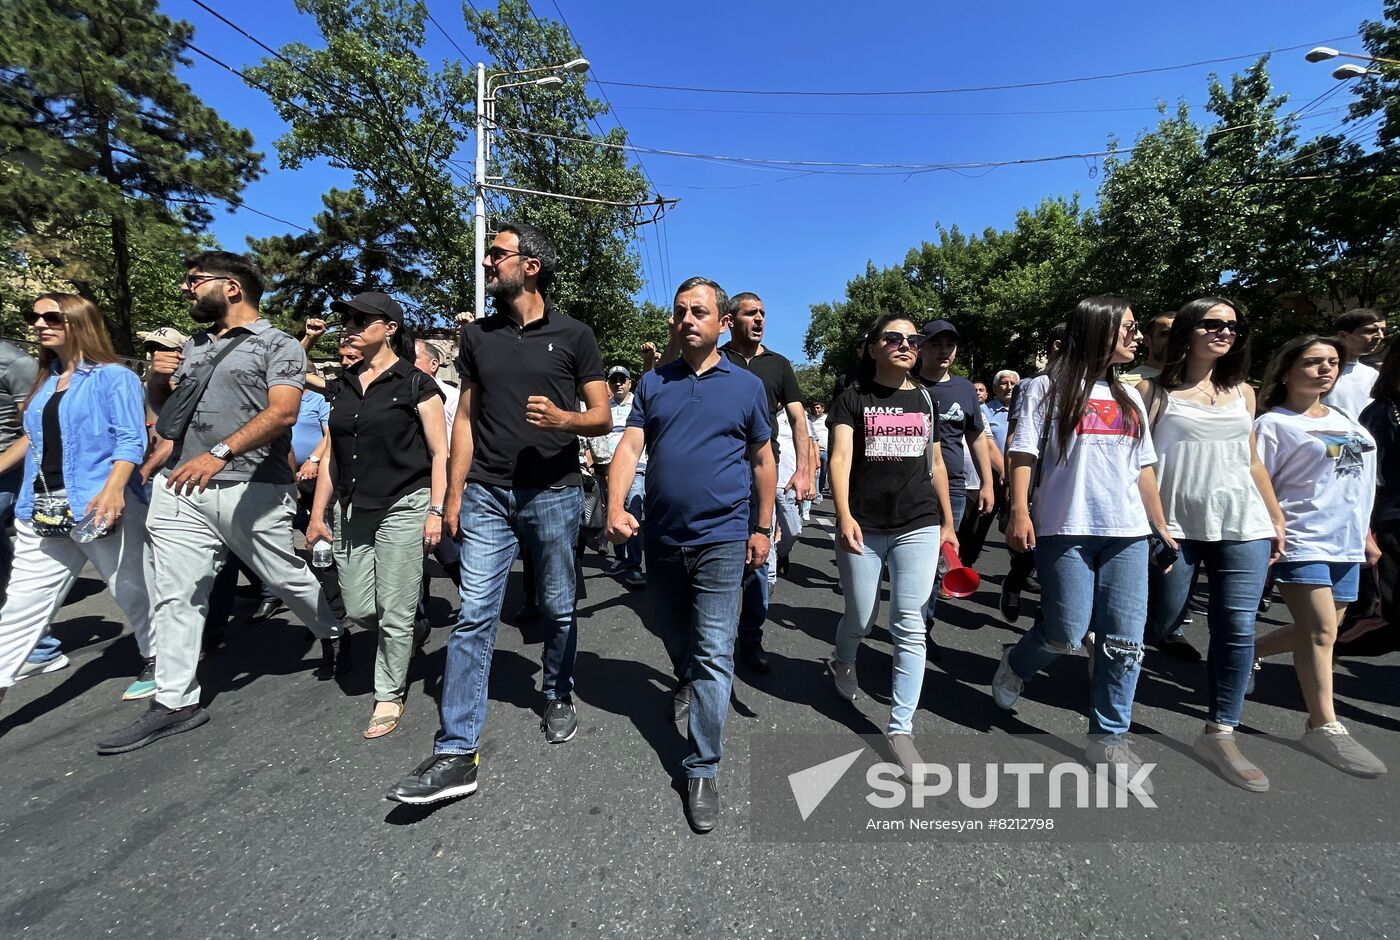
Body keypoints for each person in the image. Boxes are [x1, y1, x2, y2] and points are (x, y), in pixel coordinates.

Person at [385, 222, 609, 805]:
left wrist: (567, 422)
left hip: (555, 493)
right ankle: (458, 750)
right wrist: (453, 495)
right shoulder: (477, 338)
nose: (487, 263)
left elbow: (603, 416)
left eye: (497, 255)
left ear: (530, 265)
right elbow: (464, 418)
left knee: (558, 607)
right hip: (486, 492)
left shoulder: (576, 334)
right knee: (476, 612)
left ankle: (557, 691)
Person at [97, 251, 345, 755]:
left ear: (232, 288)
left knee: (282, 576)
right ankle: (174, 702)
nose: (186, 289)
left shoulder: (279, 346)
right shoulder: (191, 347)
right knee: (175, 592)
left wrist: (219, 452)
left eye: (194, 281)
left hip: (251, 485)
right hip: (181, 486)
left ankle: (332, 629)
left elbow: (282, 413)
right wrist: (156, 384)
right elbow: (172, 420)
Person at [605, 276, 773, 833]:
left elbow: (762, 461)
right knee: (674, 634)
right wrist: (613, 506)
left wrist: (762, 527)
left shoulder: (746, 388)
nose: (686, 320)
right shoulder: (654, 384)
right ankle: (690, 681)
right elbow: (630, 446)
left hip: (723, 539)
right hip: (662, 537)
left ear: (722, 323)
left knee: (713, 649)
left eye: (698, 311)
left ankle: (701, 767)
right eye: (679, 311)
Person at [992, 297, 1174, 785]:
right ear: (1098, 329)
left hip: (1128, 534)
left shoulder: (1132, 397)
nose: (1137, 337)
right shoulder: (1044, 388)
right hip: (1064, 528)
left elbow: (1145, 469)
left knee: (1123, 642)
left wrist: (1160, 527)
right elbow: (1024, 452)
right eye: (1129, 328)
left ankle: (1108, 739)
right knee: (1066, 632)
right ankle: (1016, 661)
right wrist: (1017, 512)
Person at [1137, 297, 1284, 790]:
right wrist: (1155, 523)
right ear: (1187, 330)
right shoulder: (1151, 390)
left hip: (1244, 524)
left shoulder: (1244, 392)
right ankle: (1109, 680)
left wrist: (1275, 515)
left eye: (1234, 326)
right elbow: (1142, 464)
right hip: (1175, 527)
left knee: (1236, 627)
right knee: (1160, 620)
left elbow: (1253, 461)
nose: (1226, 332)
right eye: (1213, 323)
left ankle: (1221, 729)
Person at [0, 294, 154, 704]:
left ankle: (158, 657)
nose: (38, 323)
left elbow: (130, 439)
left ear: (78, 321)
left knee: (132, 590)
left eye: (52, 316)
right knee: (21, 604)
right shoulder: (45, 378)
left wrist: (113, 489)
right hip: (40, 508)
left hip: (96, 504)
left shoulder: (113, 377)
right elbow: (34, 439)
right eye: (32, 316)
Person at [306, 292, 447, 739]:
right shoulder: (343, 385)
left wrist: (436, 510)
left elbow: (440, 452)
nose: (349, 325)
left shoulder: (415, 384)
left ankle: (388, 692)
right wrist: (317, 514)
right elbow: (332, 456)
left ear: (389, 328)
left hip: (404, 504)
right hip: (351, 507)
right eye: (348, 318)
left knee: (395, 609)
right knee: (362, 607)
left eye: (362, 319)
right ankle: (416, 627)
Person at [828, 313, 956, 778]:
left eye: (912, 339)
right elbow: (839, 459)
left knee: (909, 623)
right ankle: (842, 659)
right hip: (862, 523)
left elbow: (936, 462)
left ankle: (900, 729)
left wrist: (947, 523)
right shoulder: (852, 398)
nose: (905, 344)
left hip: (918, 523)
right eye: (893, 337)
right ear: (872, 348)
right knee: (861, 617)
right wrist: (842, 515)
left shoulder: (925, 397)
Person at [1252, 335, 1387, 776]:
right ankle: (1323, 726)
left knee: (1324, 627)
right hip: (1302, 539)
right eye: (1312, 363)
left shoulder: (1346, 417)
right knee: (1321, 631)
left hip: (1346, 541)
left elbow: (1358, 482)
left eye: (1331, 362)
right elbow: (1257, 481)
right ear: (1287, 370)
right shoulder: (1273, 424)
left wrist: (1366, 533)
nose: (1325, 369)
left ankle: (1249, 650)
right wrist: (1271, 529)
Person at [720, 292, 812, 675]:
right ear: (729, 320)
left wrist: (804, 468)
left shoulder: (778, 365)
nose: (759, 319)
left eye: (763, 314)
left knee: (758, 560)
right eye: (750, 313)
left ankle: (751, 639)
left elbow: (797, 418)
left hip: (762, 473)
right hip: (720, 474)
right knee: (721, 559)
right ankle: (717, 639)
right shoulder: (716, 359)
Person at [915, 320, 992, 642]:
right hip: (912, 487)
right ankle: (906, 623)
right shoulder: (908, 384)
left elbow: (976, 437)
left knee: (937, 562)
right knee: (913, 564)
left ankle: (921, 631)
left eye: (950, 344)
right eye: (936, 344)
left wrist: (988, 482)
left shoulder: (963, 389)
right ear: (922, 347)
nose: (944, 350)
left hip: (954, 489)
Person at [1352, 340, 1400, 653]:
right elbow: (1360, 476)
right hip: (1390, 523)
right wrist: (1366, 531)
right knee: (1387, 613)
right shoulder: (1380, 414)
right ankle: (1318, 648)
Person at [605, 365, 646, 589]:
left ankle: (635, 567)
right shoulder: (605, 408)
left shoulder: (638, 404)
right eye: (614, 380)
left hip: (637, 467)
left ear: (630, 382)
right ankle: (621, 558)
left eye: (623, 379)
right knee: (612, 512)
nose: (618, 383)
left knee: (633, 511)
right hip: (607, 468)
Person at [1324, 308, 1386, 419]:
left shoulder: (1372, 374)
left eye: (1383, 330)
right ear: (1343, 335)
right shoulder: (1320, 371)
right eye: (1370, 330)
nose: (1380, 336)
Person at [1120, 310, 1174, 384]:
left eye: (1179, 333)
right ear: (1146, 341)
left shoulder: (1191, 379)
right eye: (1165, 334)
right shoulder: (1125, 383)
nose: (1174, 338)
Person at [812, 402, 830, 498]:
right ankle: (817, 492)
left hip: (825, 449)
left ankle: (820, 488)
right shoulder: (812, 420)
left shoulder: (827, 419)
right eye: (815, 408)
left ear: (823, 408)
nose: (816, 410)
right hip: (815, 450)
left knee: (824, 472)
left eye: (818, 408)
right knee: (816, 472)